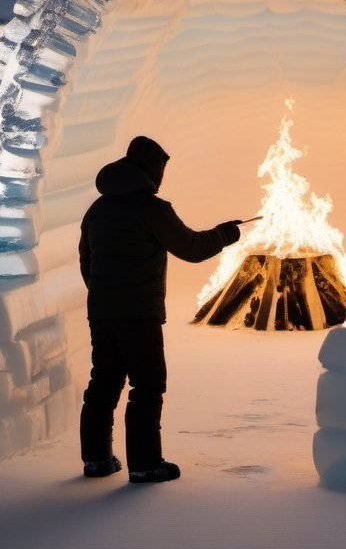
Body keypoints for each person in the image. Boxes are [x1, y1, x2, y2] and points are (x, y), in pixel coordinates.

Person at [78, 134, 241, 484]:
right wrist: (225, 234)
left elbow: (86, 259)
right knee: (147, 386)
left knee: (104, 383)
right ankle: (145, 464)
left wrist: (104, 295)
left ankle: (96, 460)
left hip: (103, 311)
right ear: (152, 169)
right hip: (139, 314)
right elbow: (192, 248)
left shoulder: (99, 208)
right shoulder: (152, 209)